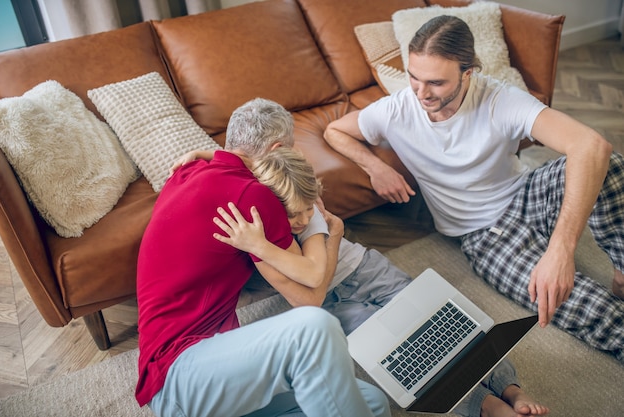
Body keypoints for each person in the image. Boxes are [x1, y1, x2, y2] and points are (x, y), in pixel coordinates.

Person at [323, 15, 624, 363]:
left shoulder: (500, 99)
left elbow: (592, 146)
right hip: (485, 237)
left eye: (435, 82)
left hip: (526, 194)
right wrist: (375, 167)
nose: (421, 93)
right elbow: (335, 131)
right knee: (594, 310)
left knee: (610, 166)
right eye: (413, 77)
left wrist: (561, 249)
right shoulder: (396, 109)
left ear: (469, 73)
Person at [211, 146, 549, 417]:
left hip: (364, 268)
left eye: (307, 210)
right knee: (401, 355)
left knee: (444, 320)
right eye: (292, 215)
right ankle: (484, 406)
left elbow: (238, 155)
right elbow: (310, 294)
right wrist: (332, 235)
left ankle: (509, 387)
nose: (302, 221)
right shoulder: (262, 231)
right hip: (329, 303)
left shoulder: (301, 197)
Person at [136, 97, 391, 417]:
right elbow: (309, 297)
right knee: (313, 329)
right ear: (277, 150)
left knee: (371, 403)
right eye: (290, 150)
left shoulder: (188, 169)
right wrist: (328, 232)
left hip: (213, 372)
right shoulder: (253, 196)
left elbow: (229, 163)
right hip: (181, 376)